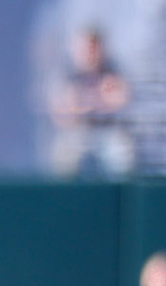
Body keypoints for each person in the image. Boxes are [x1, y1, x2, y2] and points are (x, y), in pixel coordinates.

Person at [49, 26, 135, 179]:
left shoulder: (112, 71)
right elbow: (61, 114)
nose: (90, 52)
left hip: (107, 131)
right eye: (86, 47)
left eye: (94, 47)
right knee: (63, 156)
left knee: (121, 152)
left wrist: (90, 104)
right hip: (77, 133)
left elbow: (121, 101)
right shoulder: (68, 75)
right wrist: (84, 106)